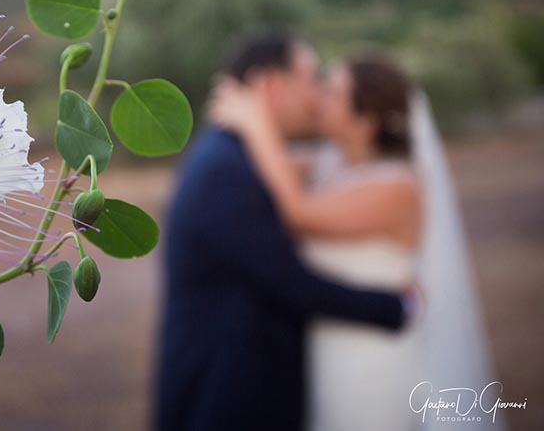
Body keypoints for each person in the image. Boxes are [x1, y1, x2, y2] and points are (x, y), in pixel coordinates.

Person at [207, 50, 503, 431]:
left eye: (331, 92)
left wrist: (254, 121)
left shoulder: (398, 187)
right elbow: (272, 166)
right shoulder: (329, 162)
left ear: (364, 122)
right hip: (325, 351)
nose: (318, 98)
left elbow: (300, 213)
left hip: (369, 360)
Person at [155, 32, 413, 431]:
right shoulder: (226, 170)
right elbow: (290, 281)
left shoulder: (248, 158)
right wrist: (397, 308)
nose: (316, 98)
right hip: (226, 398)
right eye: (311, 81)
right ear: (273, 86)